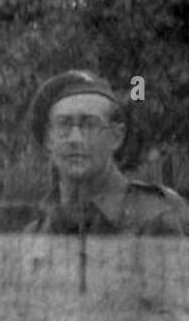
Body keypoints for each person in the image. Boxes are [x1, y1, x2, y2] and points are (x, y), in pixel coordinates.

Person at [25, 70, 189, 238]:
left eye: (89, 125)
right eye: (63, 125)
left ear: (116, 137)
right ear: (48, 140)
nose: (75, 138)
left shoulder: (158, 217)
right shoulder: (38, 233)